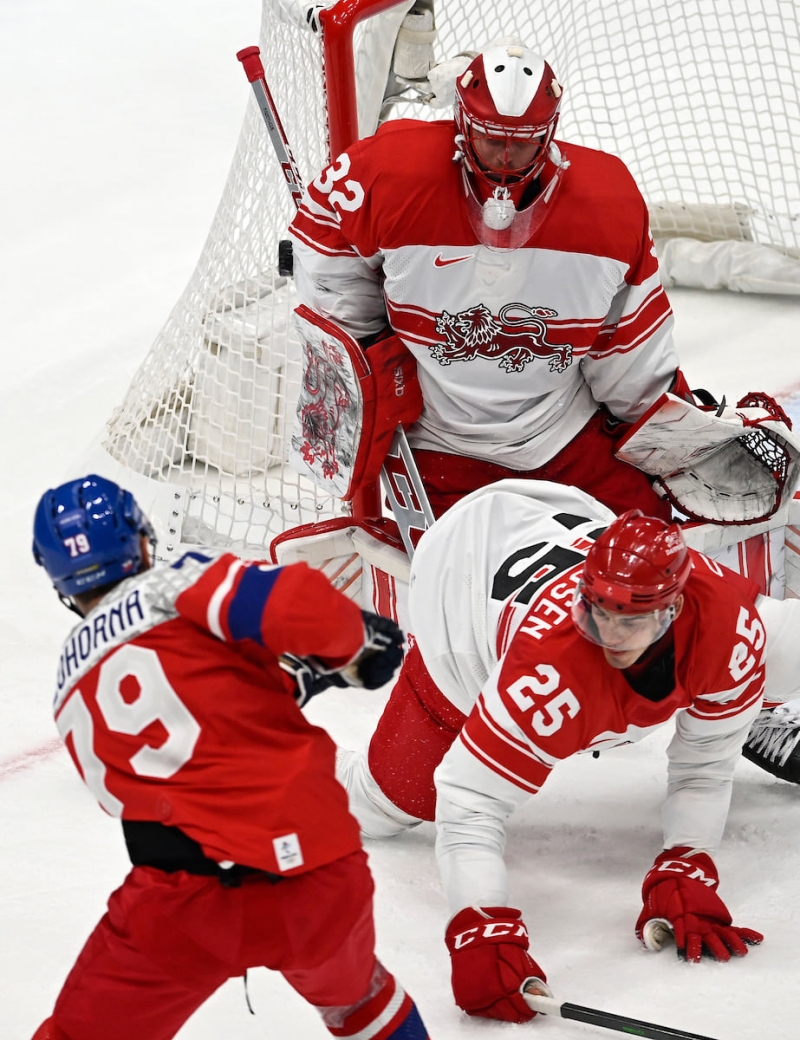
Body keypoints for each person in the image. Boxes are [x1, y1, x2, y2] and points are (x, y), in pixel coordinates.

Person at [336, 478, 800, 1023]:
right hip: (461, 620)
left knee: (780, 655)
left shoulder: (736, 627)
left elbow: (704, 770)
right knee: (373, 808)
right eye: (595, 613)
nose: (606, 634)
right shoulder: (549, 675)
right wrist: (481, 927)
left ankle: (735, 707)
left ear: (674, 612)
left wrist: (687, 858)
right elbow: (468, 805)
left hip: (549, 519)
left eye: (628, 620)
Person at [29, 474, 430, 1040]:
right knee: (363, 1003)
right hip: (316, 876)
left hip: (182, 905)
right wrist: (354, 642)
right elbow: (295, 603)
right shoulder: (170, 585)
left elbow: (123, 789)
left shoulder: (70, 682)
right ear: (140, 541)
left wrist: (269, 686)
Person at [289, 39, 692, 522]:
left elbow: (629, 353)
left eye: (521, 141)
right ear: (462, 123)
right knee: (457, 581)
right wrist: (366, 345)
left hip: (560, 431)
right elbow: (326, 243)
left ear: (549, 133)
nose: (504, 158)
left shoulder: (608, 206)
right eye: (490, 138)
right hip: (439, 441)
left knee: (653, 541)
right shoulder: (389, 173)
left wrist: (675, 436)